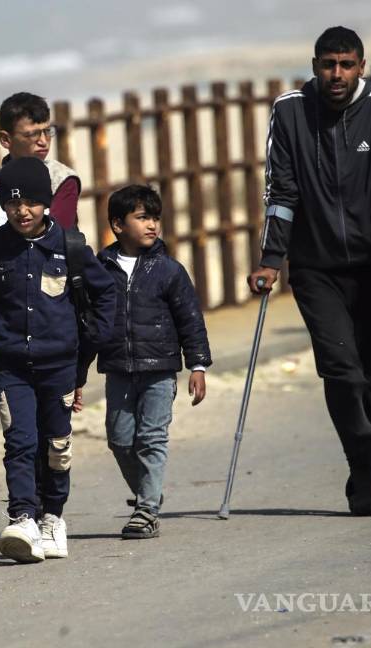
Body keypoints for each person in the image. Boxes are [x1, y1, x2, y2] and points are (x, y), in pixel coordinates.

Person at [249, 27, 371, 516]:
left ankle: (368, 468)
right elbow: (279, 191)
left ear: (361, 66)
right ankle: (360, 460)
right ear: (315, 65)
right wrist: (270, 260)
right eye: (328, 64)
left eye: (346, 64)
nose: (336, 74)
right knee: (339, 368)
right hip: (315, 267)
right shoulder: (289, 111)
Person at [0, 158, 115, 563]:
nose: (21, 211)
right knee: (20, 442)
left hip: (59, 367)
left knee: (56, 446)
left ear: (44, 202)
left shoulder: (70, 247)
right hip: (10, 368)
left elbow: (106, 295)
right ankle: (23, 516)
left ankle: (52, 518)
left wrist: (86, 347)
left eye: (30, 202)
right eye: (12, 203)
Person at [79, 185, 211, 539]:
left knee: (151, 438)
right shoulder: (100, 269)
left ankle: (147, 510)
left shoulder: (169, 270)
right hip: (119, 370)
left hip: (160, 370)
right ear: (118, 225)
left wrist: (197, 365)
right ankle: (148, 492)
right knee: (120, 440)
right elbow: (91, 321)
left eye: (155, 218)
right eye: (142, 218)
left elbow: (191, 320)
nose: (152, 225)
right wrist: (77, 371)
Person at [0, 92, 81, 229]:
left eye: (47, 131)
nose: (43, 141)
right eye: (33, 134)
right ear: (5, 139)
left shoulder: (61, 179)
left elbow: (58, 234)